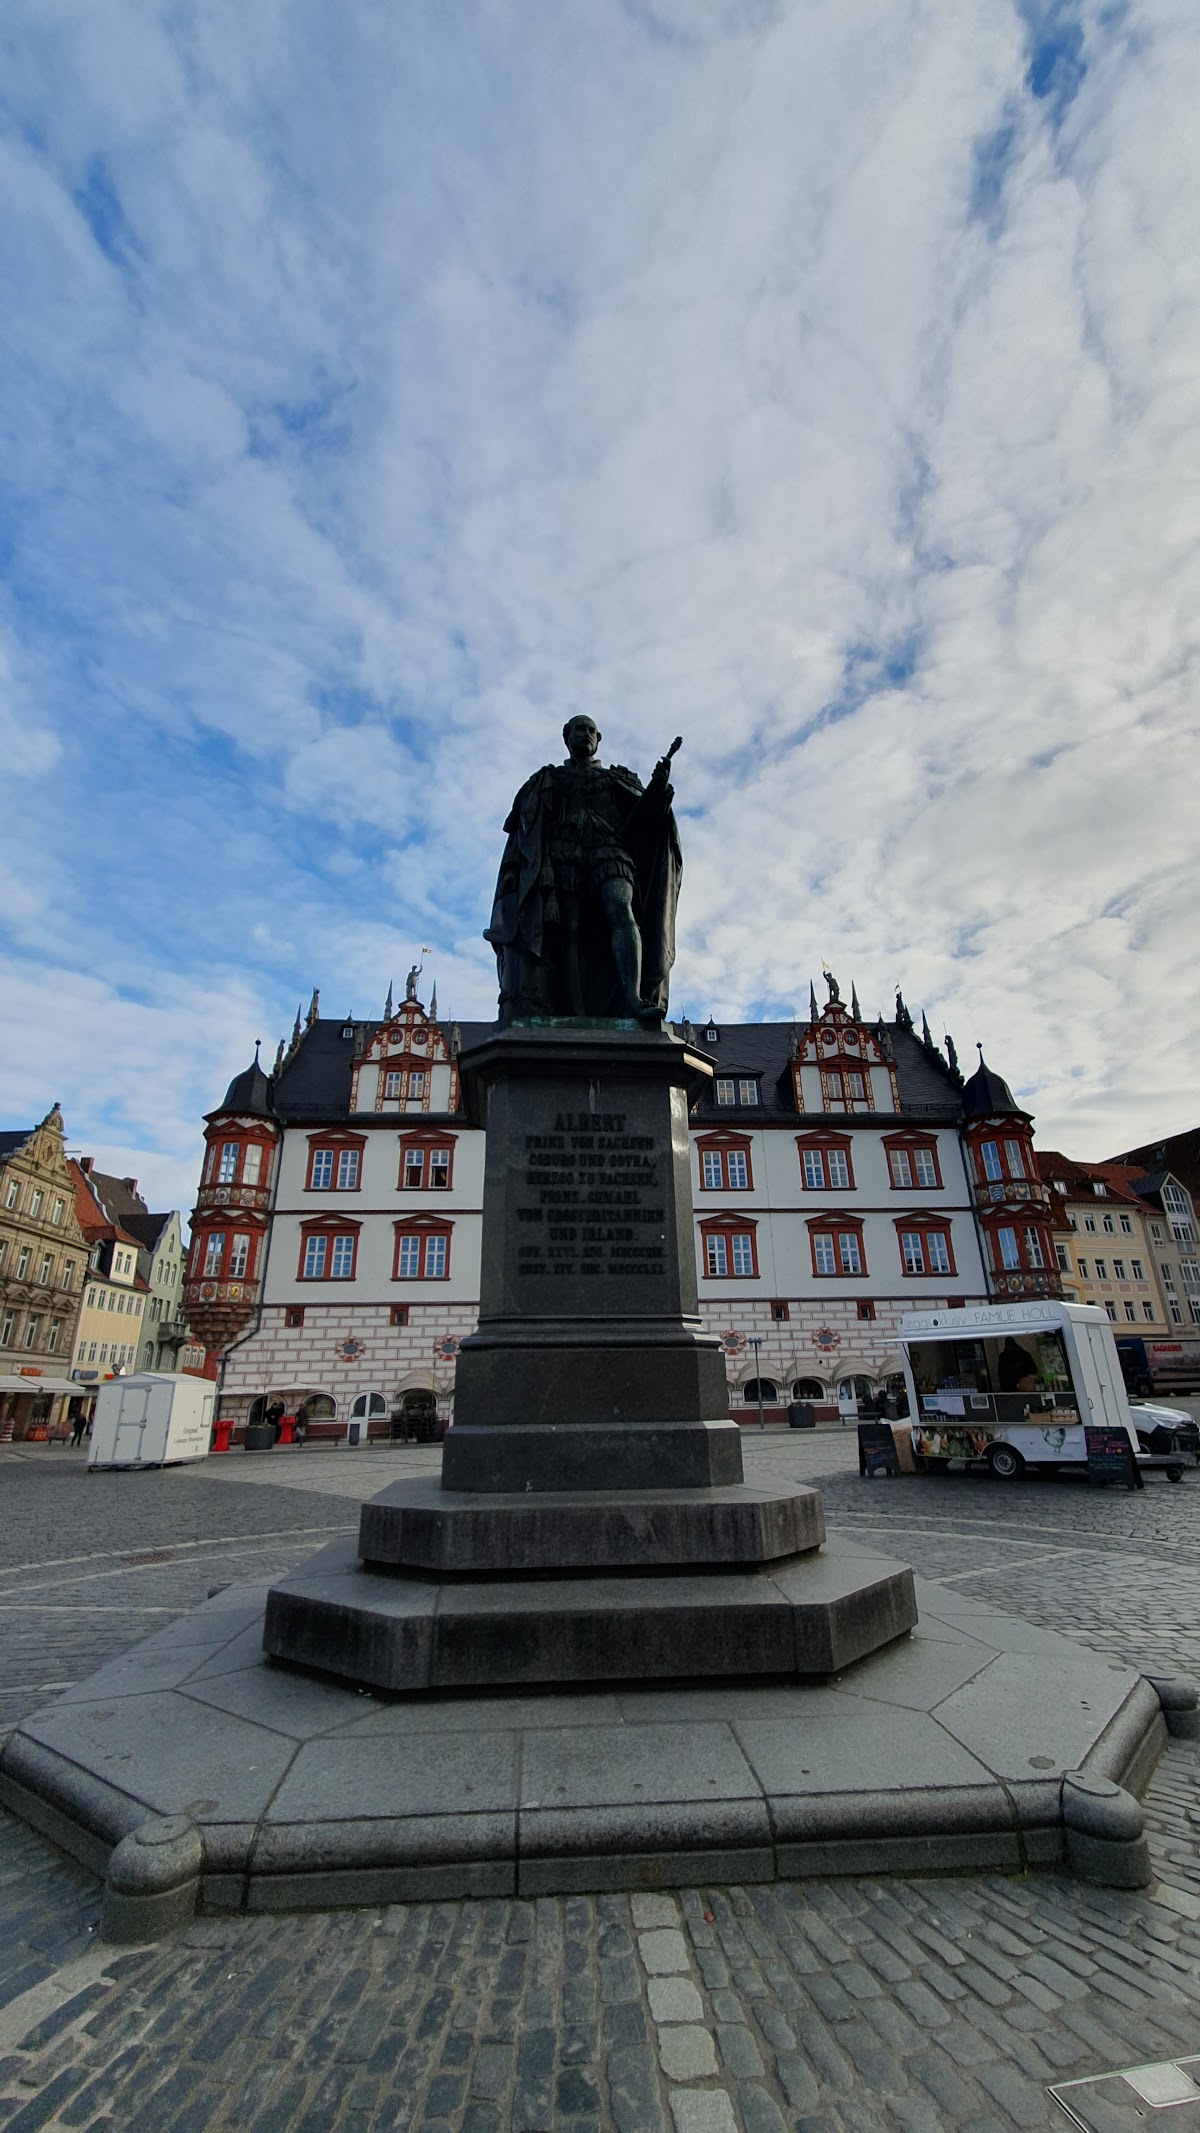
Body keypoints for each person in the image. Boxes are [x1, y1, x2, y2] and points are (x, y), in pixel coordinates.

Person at [485, 717, 682, 1024]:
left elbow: (648, 821)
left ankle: (633, 1000)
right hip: (565, 854)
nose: (586, 735)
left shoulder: (616, 778)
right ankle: (574, 1013)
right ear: (567, 737)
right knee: (570, 931)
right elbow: (527, 828)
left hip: (609, 850)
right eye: (580, 729)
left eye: (591, 730)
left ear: (598, 739)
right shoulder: (551, 778)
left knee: (621, 909)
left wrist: (658, 789)